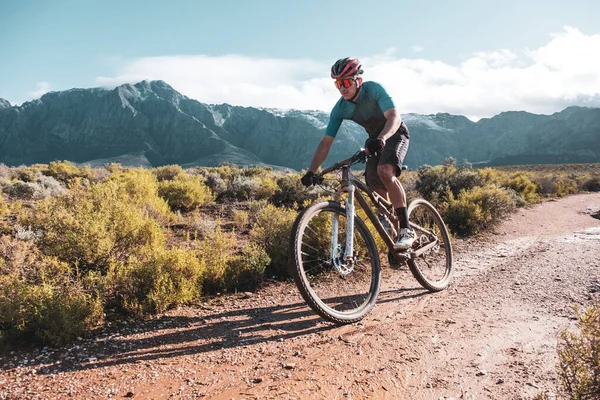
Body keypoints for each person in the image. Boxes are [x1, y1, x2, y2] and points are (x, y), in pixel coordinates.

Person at [300, 57, 415, 250]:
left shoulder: (374, 89)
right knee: (374, 184)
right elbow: (326, 142)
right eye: (338, 83)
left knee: (385, 171)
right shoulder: (340, 109)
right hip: (373, 141)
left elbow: (394, 117)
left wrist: (383, 138)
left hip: (394, 133)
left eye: (346, 81)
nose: (342, 88)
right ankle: (391, 232)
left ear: (358, 80)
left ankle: (406, 230)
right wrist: (312, 171)